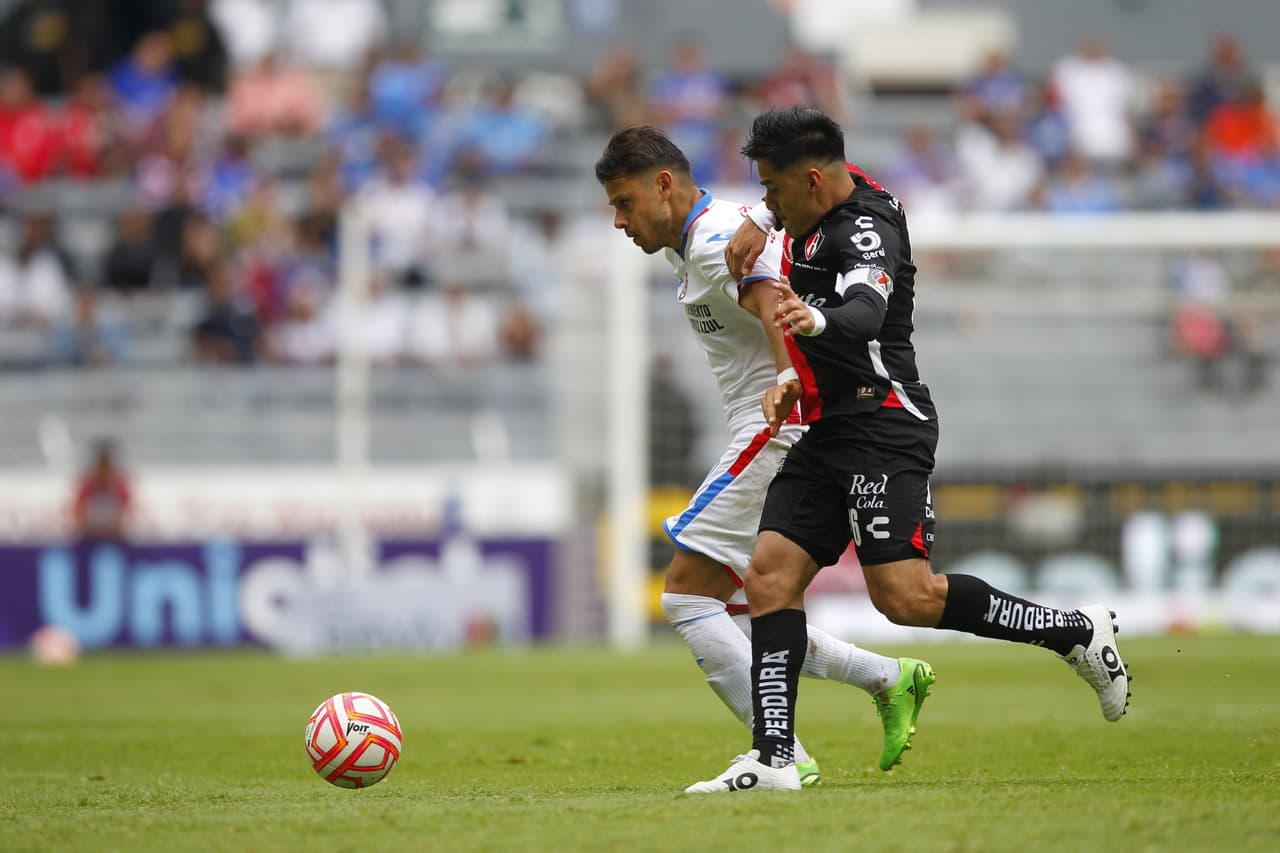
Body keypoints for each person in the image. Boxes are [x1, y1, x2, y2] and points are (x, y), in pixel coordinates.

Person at [696, 106, 1130, 794]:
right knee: (770, 576)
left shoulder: (866, 229)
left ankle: (1073, 629)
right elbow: (814, 183)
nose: (770, 202)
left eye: (774, 190)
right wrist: (759, 212)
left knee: (906, 598)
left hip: (884, 423)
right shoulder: (816, 197)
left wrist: (814, 318)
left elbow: (865, 310)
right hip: (825, 427)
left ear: (810, 181)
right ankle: (773, 757)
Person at [595, 125, 935, 787]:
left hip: (776, 426)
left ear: (664, 185)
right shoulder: (704, 236)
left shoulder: (720, 240)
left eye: (624, 201)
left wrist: (789, 385)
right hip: (779, 423)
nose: (618, 219)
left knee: (688, 595)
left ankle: (778, 755)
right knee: (760, 606)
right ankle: (889, 677)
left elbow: (778, 304)